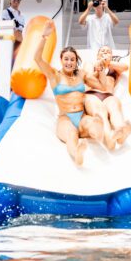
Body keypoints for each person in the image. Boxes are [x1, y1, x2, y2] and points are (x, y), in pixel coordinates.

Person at [34, 20, 105, 166]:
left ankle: (101, 136)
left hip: (82, 116)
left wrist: (100, 71)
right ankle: (77, 153)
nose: (69, 62)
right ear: (61, 60)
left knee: (93, 123)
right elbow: (37, 59)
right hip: (65, 119)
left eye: (72, 59)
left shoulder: (82, 74)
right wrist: (44, 37)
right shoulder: (55, 75)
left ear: (76, 62)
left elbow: (100, 87)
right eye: (66, 59)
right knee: (72, 133)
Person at [84, 46, 131, 150]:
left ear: (111, 55)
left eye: (108, 52)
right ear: (97, 55)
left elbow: (125, 67)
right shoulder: (90, 64)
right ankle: (109, 137)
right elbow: (87, 77)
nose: (105, 52)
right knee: (100, 112)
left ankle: (121, 131)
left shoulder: (114, 68)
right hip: (92, 93)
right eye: (102, 51)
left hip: (108, 95)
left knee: (115, 110)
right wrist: (99, 67)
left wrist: (107, 63)